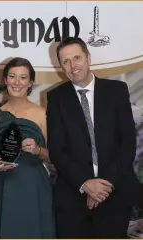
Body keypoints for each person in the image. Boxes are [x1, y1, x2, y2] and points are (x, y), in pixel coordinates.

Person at [46, 37, 140, 238]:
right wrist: (86, 184)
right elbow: (57, 149)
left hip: (114, 194)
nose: (73, 66)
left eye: (77, 58)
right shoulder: (56, 98)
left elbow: (127, 142)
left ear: (88, 57)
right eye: (66, 61)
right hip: (73, 197)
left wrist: (103, 185)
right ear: (60, 66)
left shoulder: (116, 91)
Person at [0, 57, 56, 238]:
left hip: (32, 186)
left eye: (23, 77)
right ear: (5, 80)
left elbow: (56, 157)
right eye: (12, 76)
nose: (17, 82)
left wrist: (38, 150)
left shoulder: (43, 114)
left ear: (30, 83)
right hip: (0, 186)